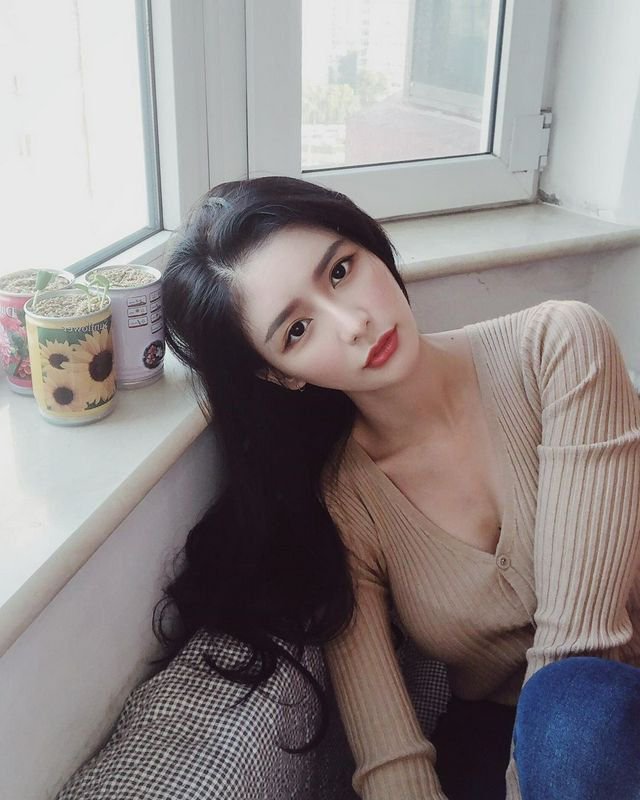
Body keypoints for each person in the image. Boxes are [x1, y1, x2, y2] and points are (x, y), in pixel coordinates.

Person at [157, 175, 640, 800]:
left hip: (600, 717)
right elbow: (390, 759)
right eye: (297, 331)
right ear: (279, 376)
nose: (353, 322)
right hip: (500, 745)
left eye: (340, 271)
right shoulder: (340, 506)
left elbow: (582, 647)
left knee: (575, 705)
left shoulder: (559, 346)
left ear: (372, 247)